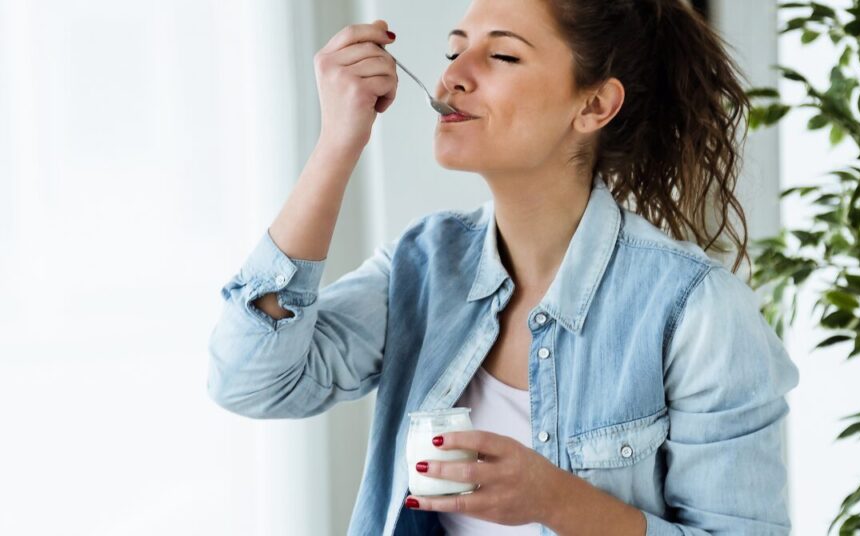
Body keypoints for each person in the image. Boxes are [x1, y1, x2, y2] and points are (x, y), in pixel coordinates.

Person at [207, 0, 800, 534]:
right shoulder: (422, 267)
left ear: (595, 104)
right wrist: (338, 141)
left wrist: (556, 500)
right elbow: (252, 381)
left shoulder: (696, 310)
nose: (452, 77)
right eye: (453, 49)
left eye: (502, 55)